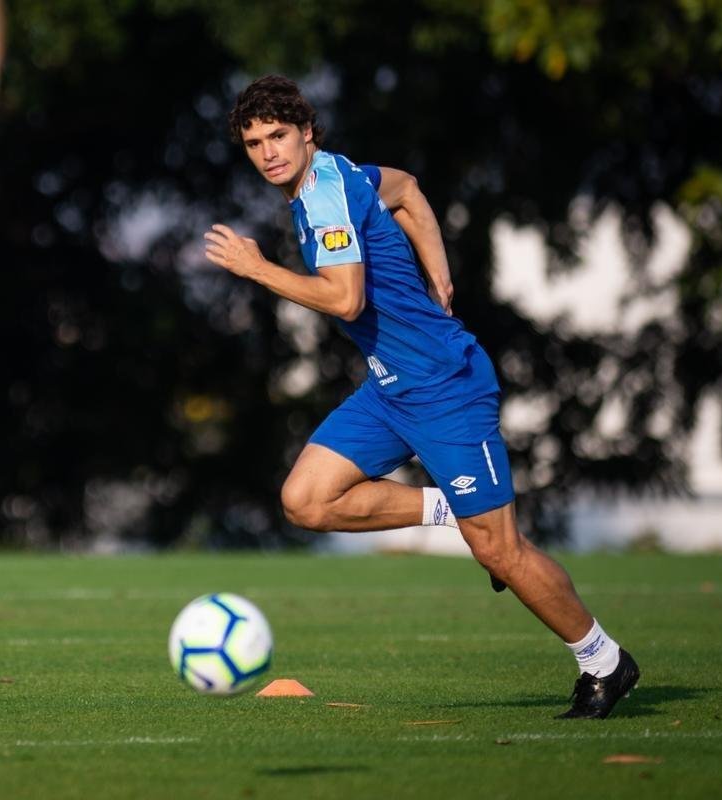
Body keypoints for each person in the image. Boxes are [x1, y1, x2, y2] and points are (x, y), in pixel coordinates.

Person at [204, 75, 639, 719]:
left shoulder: (324, 195)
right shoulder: (336, 174)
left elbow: (345, 297)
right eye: (253, 143)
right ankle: (448, 511)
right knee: (306, 500)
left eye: (277, 137)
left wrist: (256, 267)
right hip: (389, 388)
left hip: (444, 387)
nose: (268, 152)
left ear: (306, 134)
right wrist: (437, 263)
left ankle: (604, 660)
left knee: (501, 551)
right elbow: (406, 186)